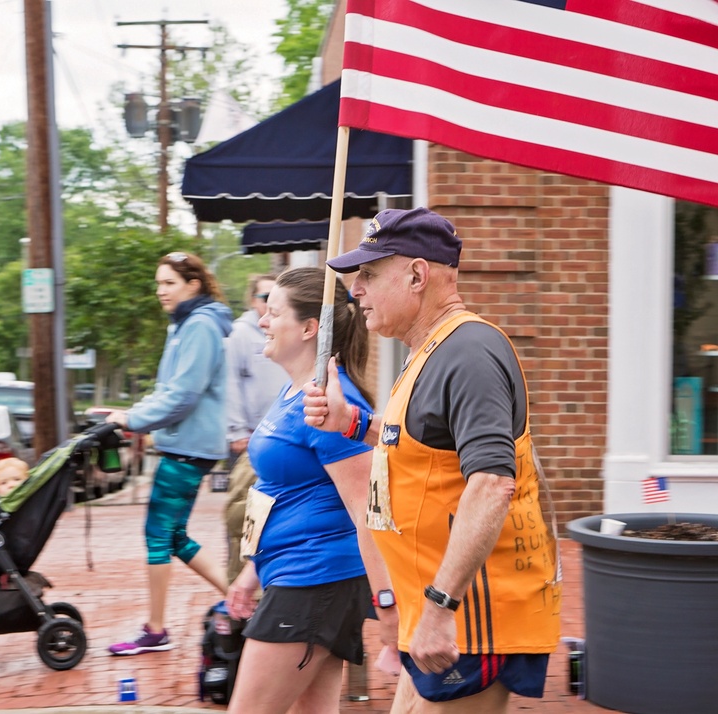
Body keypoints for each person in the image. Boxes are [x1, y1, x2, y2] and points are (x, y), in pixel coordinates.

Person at [302, 208, 561, 713]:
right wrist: (351, 423)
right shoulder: (431, 351)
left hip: (473, 618)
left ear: (418, 275)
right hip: (441, 612)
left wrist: (443, 606)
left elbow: (490, 483)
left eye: (370, 275)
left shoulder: (469, 352)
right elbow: (421, 449)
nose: (357, 291)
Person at [222, 267, 396, 714]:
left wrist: (388, 603)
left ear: (308, 327)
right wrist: (252, 568)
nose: (261, 318)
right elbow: (274, 488)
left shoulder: (333, 407)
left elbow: (366, 511)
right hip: (290, 572)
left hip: (315, 577)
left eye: (273, 310)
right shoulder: (294, 393)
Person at [104, 251, 233, 656]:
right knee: (173, 536)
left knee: (157, 536)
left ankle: (156, 629)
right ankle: (248, 597)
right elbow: (168, 390)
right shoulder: (185, 324)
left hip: (188, 445)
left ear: (193, 284)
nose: (160, 291)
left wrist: (131, 419)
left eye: (169, 283)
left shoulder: (198, 325)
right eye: (158, 283)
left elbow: (183, 395)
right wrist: (131, 414)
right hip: (186, 442)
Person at [223, 274, 288, 582]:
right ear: (252, 300)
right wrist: (236, 431)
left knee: (272, 520)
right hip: (249, 441)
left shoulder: (285, 331)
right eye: (263, 297)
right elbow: (230, 382)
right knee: (242, 519)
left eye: (274, 298)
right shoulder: (240, 334)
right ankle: (237, 592)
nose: (267, 304)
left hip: (281, 440)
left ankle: (262, 587)